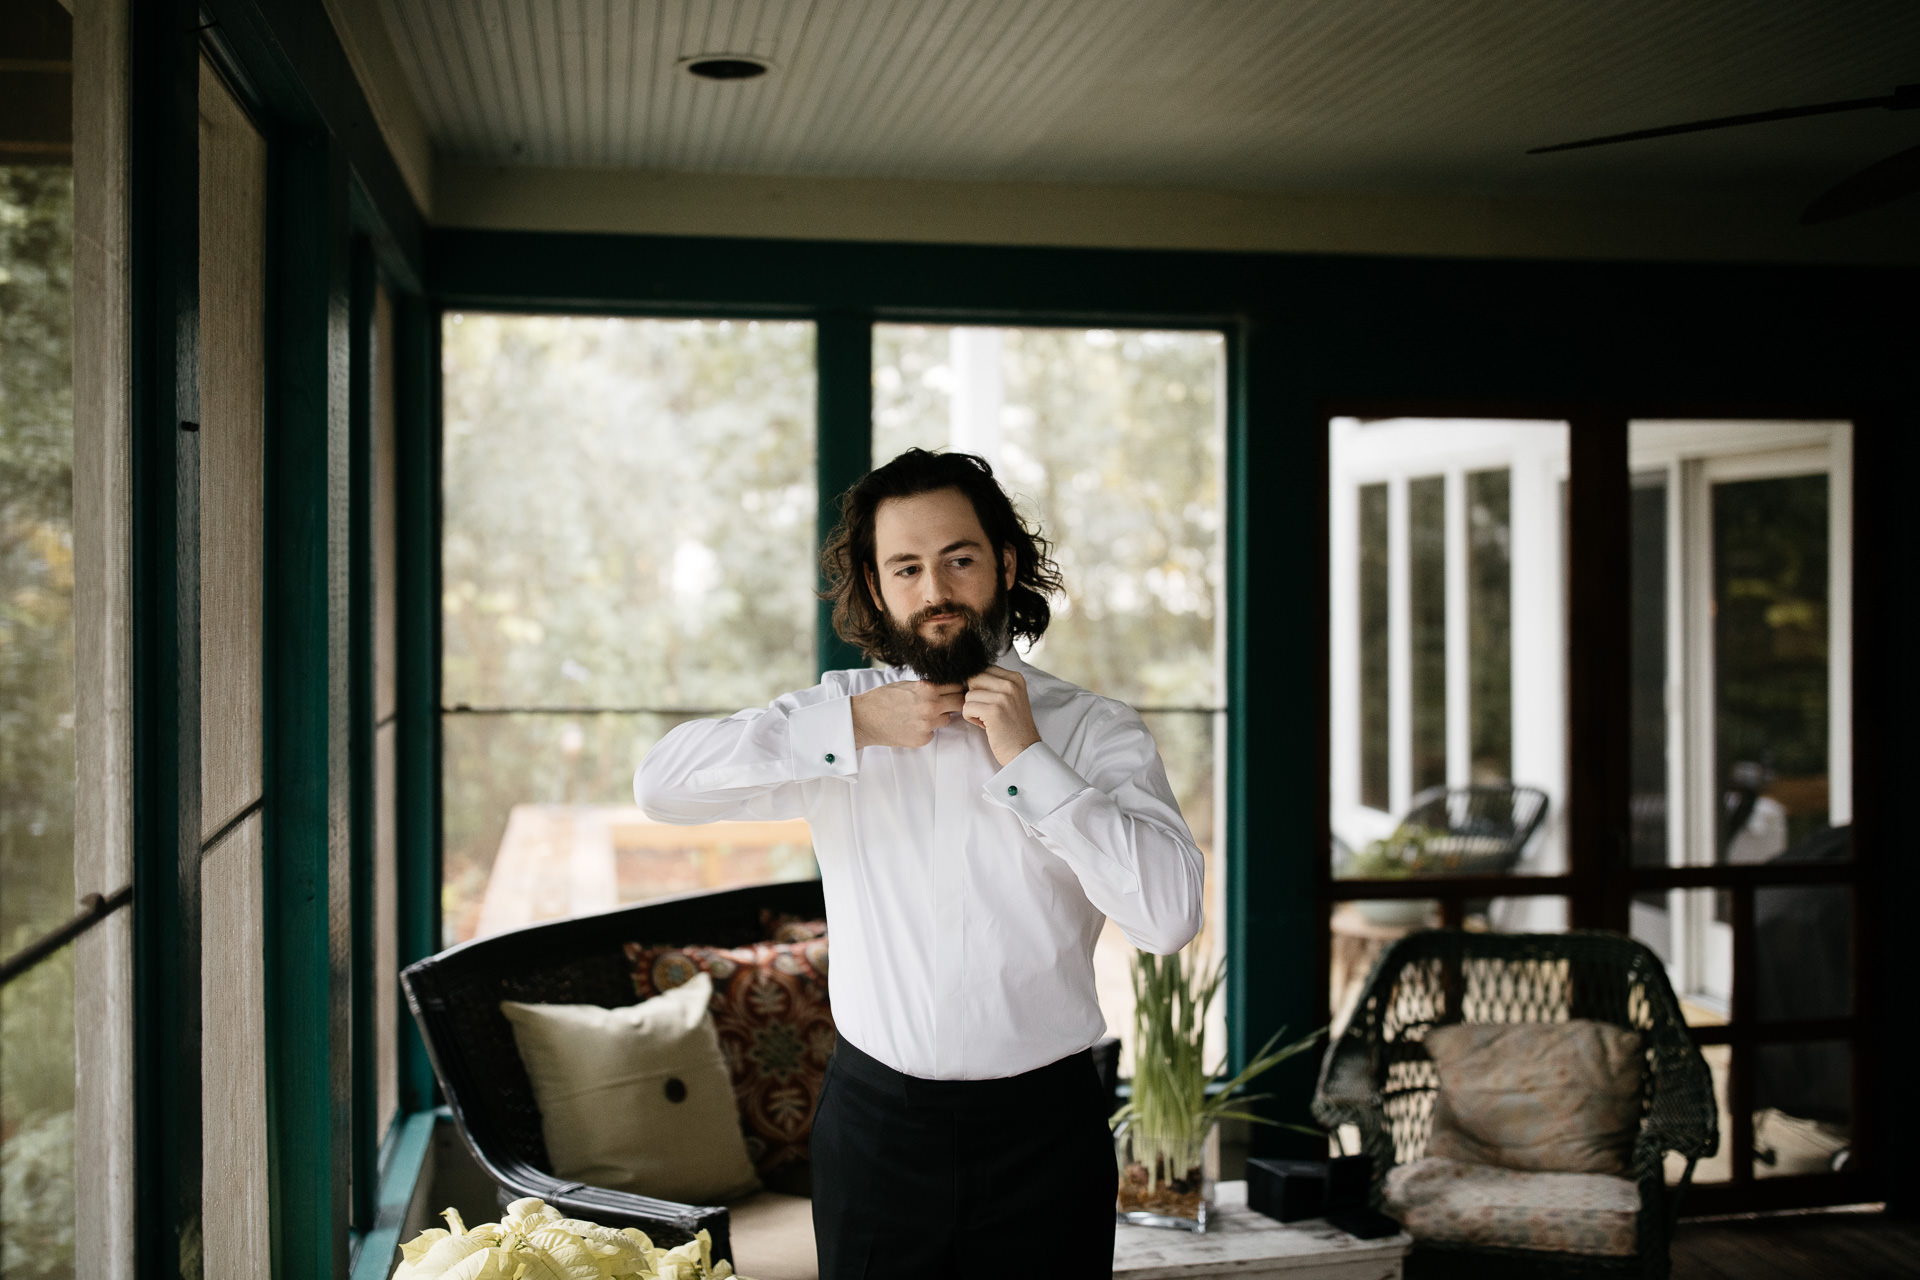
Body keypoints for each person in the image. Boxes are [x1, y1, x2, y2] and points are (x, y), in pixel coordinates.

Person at [634, 448, 1205, 1280]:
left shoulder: (1092, 731)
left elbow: (1169, 917)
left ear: (1006, 565)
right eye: (906, 566)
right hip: (876, 1131)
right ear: (876, 587)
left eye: (959, 559)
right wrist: (851, 726)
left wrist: (1032, 762)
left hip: (1047, 1132)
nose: (934, 588)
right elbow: (662, 786)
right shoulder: (838, 719)